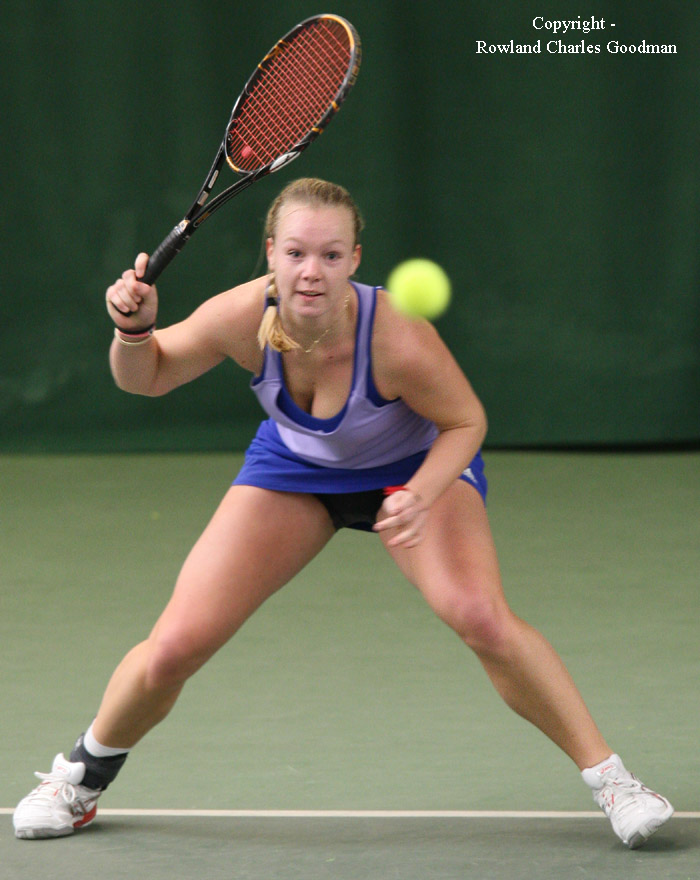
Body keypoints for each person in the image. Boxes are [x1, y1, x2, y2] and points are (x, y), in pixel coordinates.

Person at [14, 178, 673, 848]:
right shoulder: (240, 315)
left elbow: (466, 422)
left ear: (354, 259)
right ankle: (81, 778)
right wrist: (133, 330)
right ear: (270, 252)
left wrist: (420, 493)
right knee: (175, 645)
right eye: (296, 252)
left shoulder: (397, 337)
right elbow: (148, 376)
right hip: (297, 470)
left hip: (411, 467)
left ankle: (614, 782)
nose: (312, 271)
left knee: (479, 616)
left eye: (331, 255)